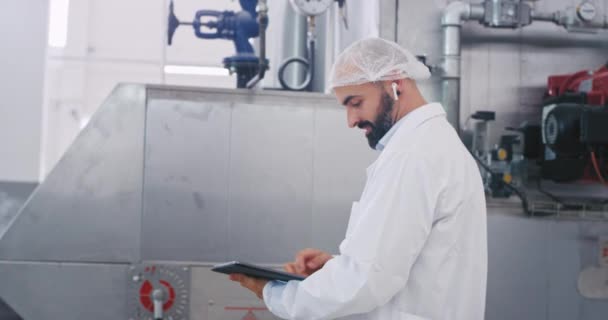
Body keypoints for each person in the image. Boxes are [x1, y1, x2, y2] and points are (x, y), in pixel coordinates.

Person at [230, 37, 488, 320]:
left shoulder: (412, 155)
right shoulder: (435, 145)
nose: (350, 120)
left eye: (356, 103)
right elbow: (403, 263)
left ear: (395, 83)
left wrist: (274, 292)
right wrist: (339, 267)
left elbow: (367, 281)